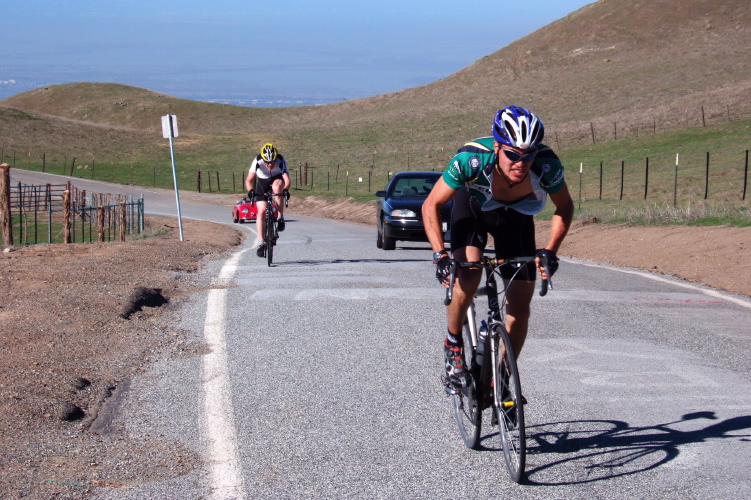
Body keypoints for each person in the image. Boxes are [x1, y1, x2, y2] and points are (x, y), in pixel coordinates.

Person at [422, 105, 574, 389]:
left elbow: (564, 207)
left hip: (515, 216)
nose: (521, 162)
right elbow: (431, 204)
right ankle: (453, 343)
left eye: (528, 154)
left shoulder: (547, 164)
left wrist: (551, 250)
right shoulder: (471, 159)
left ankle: (503, 375)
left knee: (520, 303)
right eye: (513, 154)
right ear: (497, 147)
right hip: (473, 208)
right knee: (468, 275)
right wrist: (440, 255)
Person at [245, 143, 291, 257]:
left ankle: (280, 217)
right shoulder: (257, 160)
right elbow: (249, 180)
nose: (270, 165)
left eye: (272, 162)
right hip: (262, 183)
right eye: (267, 162)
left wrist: (285, 190)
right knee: (261, 212)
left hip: (277, 179)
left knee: (277, 188)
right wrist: (251, 190)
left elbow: (287, 179)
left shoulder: (280, 160)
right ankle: (262, 242)